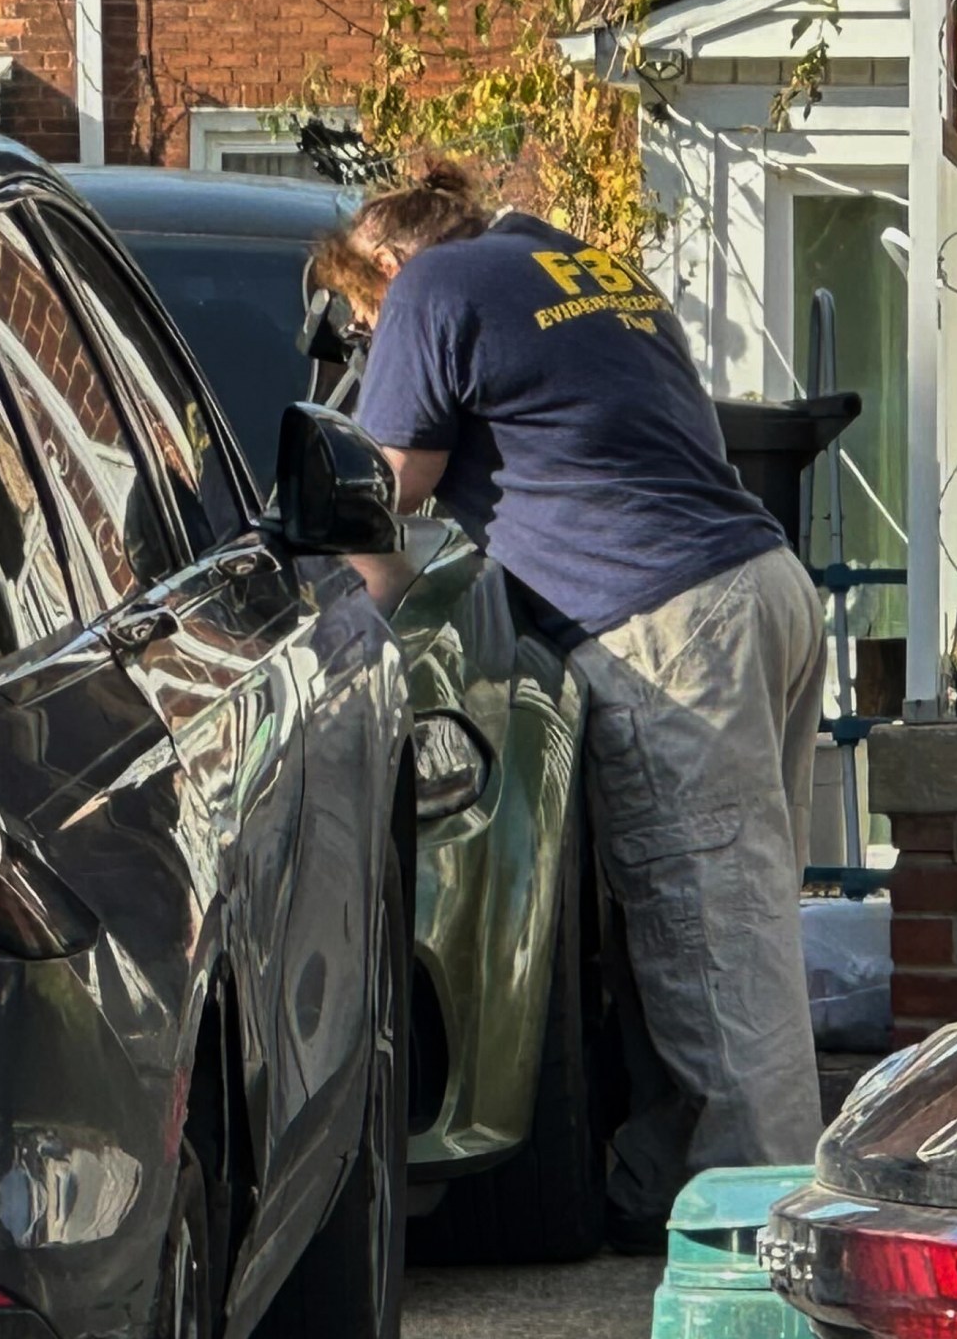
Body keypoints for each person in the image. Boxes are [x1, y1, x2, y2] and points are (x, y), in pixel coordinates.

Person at [319, 162, 826, 1247]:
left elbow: (383, 485)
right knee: (731, 921)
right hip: (761, 586)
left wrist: (341, 595)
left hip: (665, 628)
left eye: (365, 314)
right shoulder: (580, 264)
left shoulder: (431, 286)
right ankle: (667, 1191)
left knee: (713, 947)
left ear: (388, 264)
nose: (373, 336)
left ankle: (767, 1246)